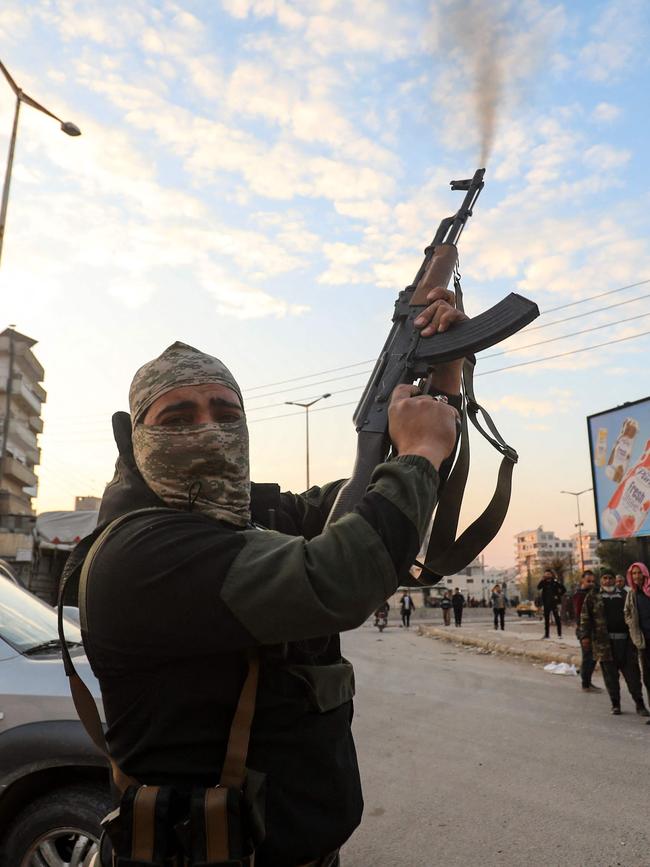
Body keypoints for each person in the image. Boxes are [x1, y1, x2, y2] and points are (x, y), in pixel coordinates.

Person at [64, 300, 463, 867]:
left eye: (226, 412)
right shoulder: (140, 555)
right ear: (134, 442)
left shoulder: (257, 519)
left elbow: (389, 507)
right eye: (178, 418)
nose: (209, 429)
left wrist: (443, 383)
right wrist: (420, 450)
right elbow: (341, 578)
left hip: (292, 847)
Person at [581, 571, 648, 716]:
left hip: (626, 643)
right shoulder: (593, 597)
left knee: (633, 676)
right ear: (601, 580)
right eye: (604, 578)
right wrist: (584, 637)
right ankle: (615, 704)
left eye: (610, 578)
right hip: (605, 644)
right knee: (610, 677)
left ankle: (640, 705)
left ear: (615, 580)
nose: (608, 581)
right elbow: (585, 618)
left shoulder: (626, 595)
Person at [624, 561, 650, 723]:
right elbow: (627, 612)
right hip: (643, 642)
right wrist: (633, 628)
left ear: (645, 573)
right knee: (647, 677)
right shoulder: (632, 594)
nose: (637, 576)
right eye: (634, 573)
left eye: (639, 572)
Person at [573, 570, 600, 692]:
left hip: (594, 631)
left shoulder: (593, 594)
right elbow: (579, 616)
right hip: (585, 631)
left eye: (593, 581)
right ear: (582, 581)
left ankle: (588, 681)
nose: (591, 583)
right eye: (588, 581)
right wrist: (584, 635)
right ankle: (585, 684)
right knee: (588, 657)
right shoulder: (580, 596)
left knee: (593, 657)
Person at [537, 568, 566, 639]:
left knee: (557, 618)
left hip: (554, 603)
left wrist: (558, 595)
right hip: (546, 603)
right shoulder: (544, 583)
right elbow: (538, 587)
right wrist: (542, 580)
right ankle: (547, 635)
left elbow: (564, 589)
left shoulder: (555, 583)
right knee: (546, 619)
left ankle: (559, 634)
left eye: (549, 574)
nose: (547, 575)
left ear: (552, 575)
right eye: (546, 574)